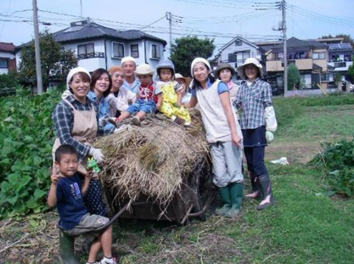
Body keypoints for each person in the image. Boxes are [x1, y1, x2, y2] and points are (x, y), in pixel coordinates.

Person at [52, 67, 116, 216]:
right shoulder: (63, 107)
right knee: (72, 195)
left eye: (86, 81)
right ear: (70, 84)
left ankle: (98, 223)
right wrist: (91, 151)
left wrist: (115, 131)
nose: (82, 85)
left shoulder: (92, 105)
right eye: (77, 81)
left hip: (88, 156)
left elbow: (96, 131)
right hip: (68, 157)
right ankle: (72, 229)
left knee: (95, 184)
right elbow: (65, 138)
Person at [185, 58, 243, 217]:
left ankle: (236, 205)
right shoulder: (196, 90)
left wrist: (234, 133)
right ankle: (226, 203)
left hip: (227, 133)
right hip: (212, 136)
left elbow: (228, 109)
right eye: (195, 70)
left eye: (201, 68)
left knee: (233, 169)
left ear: (208, 70)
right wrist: (173, 99)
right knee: (219, 173)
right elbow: (189, 106)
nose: (198, 72)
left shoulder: (220, 85)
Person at [48, 145, 117, 264]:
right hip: (74, 220)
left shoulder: (73, 176)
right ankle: (108, 259)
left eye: (74, 161)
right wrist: (53, 185)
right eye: (67, 162)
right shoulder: (60, 183)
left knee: (102, 232)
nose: (71, 165)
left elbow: (80, 194)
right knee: (106, 224)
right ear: (57, 164)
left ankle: (91, 262)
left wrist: (87, 179)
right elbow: (51, 203)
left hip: (82, 216)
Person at [235, 58, 277, 210]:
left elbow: (268, 106)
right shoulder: (242, 87)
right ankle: (256, 190)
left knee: (258, 163)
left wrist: (270, 129)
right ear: (244, 71)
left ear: (258, 70)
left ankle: (268, 196)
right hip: (245, 128)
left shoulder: (264, 86)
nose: (250, 70)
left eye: (253, 68)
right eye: (247, 68)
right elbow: (235, 104)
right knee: (250, 163)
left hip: (258, 127)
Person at [155, 59, 191, 126]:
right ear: (159, 74)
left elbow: (179, 93)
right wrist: (159, 103)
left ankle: (186, 121)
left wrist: (179, 102)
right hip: (164, 101)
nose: (166, 75)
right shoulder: (158, 84)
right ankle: (174, 118)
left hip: (174, 101)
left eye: (168, 73)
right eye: (163, 73)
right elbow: (159, 95)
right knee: (166, 108)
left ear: (172, 74)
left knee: (182, 110)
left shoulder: (174, 83)